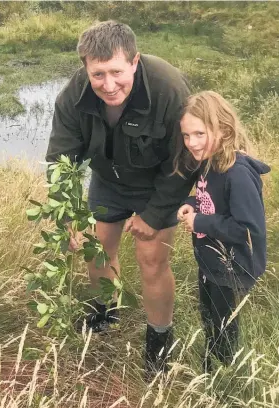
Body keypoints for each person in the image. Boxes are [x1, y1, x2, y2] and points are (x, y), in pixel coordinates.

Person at [46, 20, 195, 376]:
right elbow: (60, 159)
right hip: (107, 179)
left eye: (116, 71)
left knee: (151, 260)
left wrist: (155, 214)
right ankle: (104, 313)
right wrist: (65, 217)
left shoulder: (168, 87)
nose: (108, 85)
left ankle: (158, 342)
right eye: (98, 74)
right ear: (85, 67)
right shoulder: (73, 95)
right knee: (97, 249)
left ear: (134, 61)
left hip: (157, 184)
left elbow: (186, 159)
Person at [176, 91, 270, 371]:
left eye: (199, 134)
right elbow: (214, 201)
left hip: (231, 268)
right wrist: (190, 203)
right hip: (211, 261)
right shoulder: (210, 161)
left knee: (223, 325)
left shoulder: (237, 173)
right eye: (186, 136)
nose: (191, 143)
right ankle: (212, 363)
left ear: (224, 129)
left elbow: (246, 229)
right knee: (208, 317)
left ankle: (225, 375)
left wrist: (200, 223)